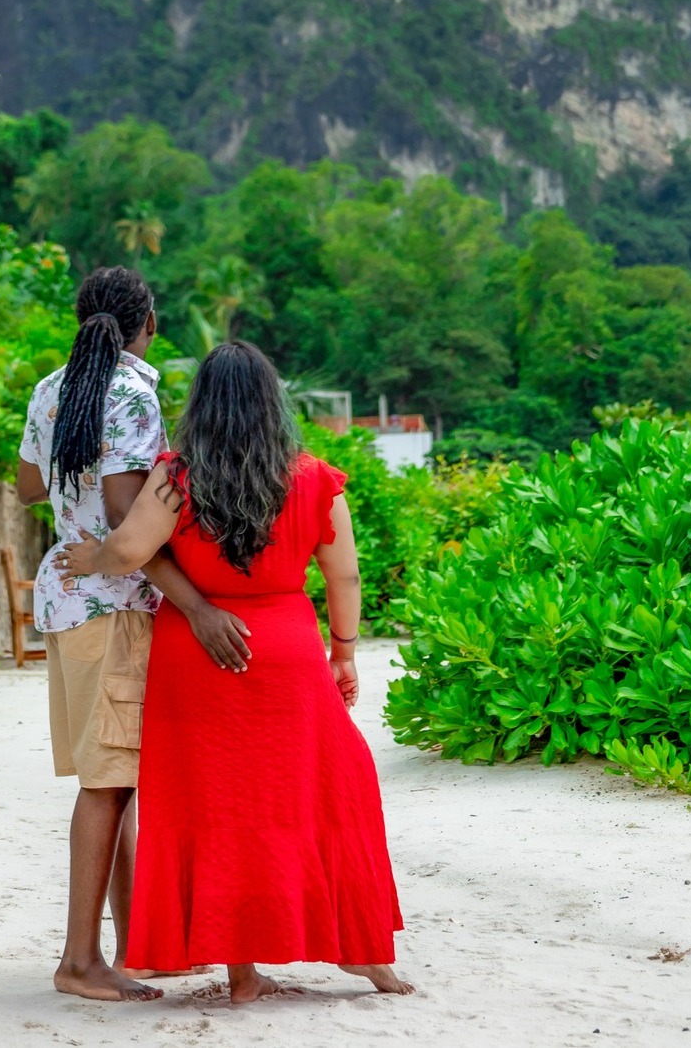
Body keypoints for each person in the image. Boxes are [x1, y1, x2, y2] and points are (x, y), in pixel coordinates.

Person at [55, 339, 413, 1006]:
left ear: (202, 407)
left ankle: (242, 971)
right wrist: (344, 650)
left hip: (195, 659)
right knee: (327, 794)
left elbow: (131, 549)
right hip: (284, 650)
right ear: (272, 404)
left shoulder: (176, 476)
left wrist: (90, 559)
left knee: (220, 809)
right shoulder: (312, 477)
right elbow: (345, 574)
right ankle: (362, 950)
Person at [15, 267, 254, 1003]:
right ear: (146, 320)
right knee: (109, 784)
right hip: (115, 602)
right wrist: (198, 605)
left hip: (68, 598)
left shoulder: (53, 387)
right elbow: (128, 516)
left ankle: (129, 948)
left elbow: (29, 486)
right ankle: (80, 961)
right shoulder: (130, 392)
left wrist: (76, 497)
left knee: (117, 780)